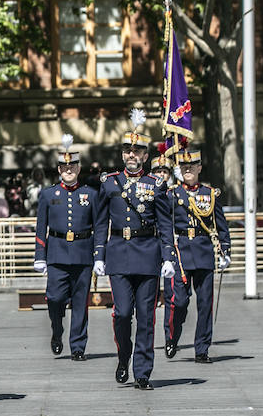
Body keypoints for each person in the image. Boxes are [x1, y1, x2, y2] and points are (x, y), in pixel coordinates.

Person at [93, 118, 173, 390]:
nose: (132, 155)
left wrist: (168, 258)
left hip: (148, 254)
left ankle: (143, 372)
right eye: (127, 150)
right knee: (123, 313)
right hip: (118, 253)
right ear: (122, 154)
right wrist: (99, 255)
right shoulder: (109, 183)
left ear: (145, 156)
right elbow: (101, 221)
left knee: (147, 317)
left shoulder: (156, 184)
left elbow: (164, 223)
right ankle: (123, 355)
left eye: (137, 151)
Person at [162, 148, 231, 364]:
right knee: (179, 302)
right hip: (180, 252)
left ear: (200, 168)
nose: (188, 169)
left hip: (203, 252)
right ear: (179, 169)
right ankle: (172, 337)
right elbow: (165, 224)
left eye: (192, 166)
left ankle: (202, 349)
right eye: (184, 167)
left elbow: (221, 224)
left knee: (205, 305)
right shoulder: (172, 195)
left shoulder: (210, 194)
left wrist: (225, 250)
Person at [33, 138, 97, 361]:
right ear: (59, 169)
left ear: (79, 168)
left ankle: (78, 346)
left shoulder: (91, 194)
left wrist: (99, 255)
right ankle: (57, 329)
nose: (68, 170)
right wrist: (39, 256)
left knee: (81, 302)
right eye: (64, 167)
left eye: (73, 167)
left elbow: (98, 227)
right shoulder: (48, 195)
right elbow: (41, 227)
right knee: (55, 298)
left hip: (82, 253)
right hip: (57, 254)